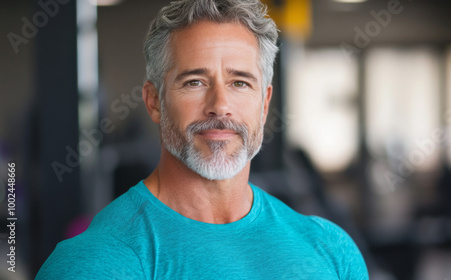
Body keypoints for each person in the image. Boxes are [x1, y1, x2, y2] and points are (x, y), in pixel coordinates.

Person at [36, 0, 368, 278]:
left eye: (240, 83)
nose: (220, 105)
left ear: (264, 104)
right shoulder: (96, 263)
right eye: (195, 81)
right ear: (154, 101)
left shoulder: (330, 249)